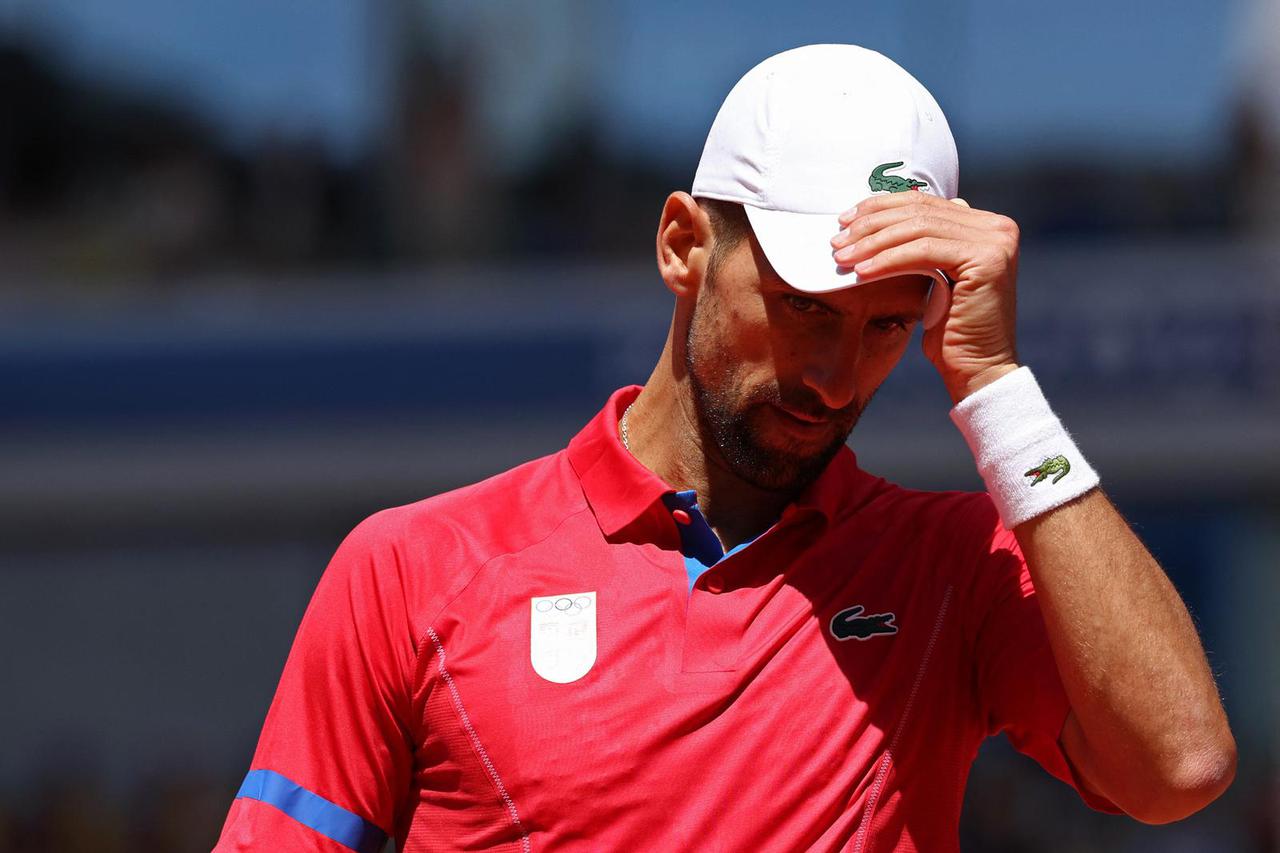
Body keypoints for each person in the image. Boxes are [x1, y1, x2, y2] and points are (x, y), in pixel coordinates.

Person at [213, 45, 1235, 852]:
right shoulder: (411, 568)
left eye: (885, 328)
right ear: (682, 245)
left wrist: (998, 386)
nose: (834, 377)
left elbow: (1177, 765)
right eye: (801, 309)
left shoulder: (952, 566)